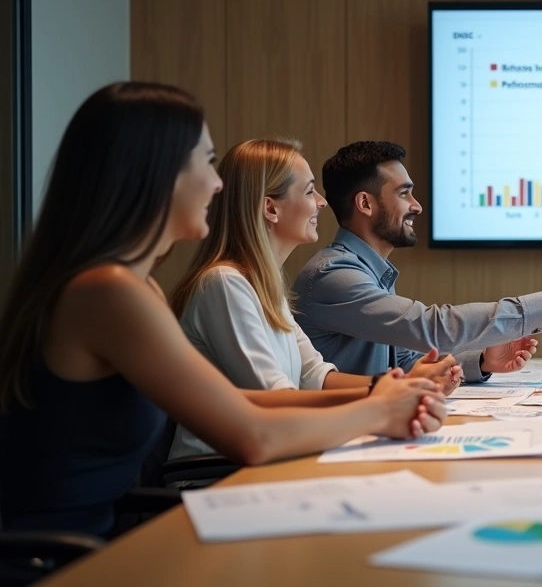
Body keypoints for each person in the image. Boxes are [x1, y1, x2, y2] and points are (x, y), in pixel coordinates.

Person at [0, 82, 447, 537]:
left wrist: (384, 391)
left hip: (96, 545)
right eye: (205, 162)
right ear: (154, 173)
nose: (217, 185)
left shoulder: (136, 288)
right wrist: (380, 409)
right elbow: (255, 434)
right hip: (62, 561)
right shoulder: (109, 292)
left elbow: (236, 400)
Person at [167, 139, 458, 459]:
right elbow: (275, 398)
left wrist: (398, 387)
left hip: (269, 459)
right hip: (217, 475)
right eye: (308, 191)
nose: (321, 202)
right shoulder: (224, 284)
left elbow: (316, 376)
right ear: (270, 208)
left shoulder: (265, 285)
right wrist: (380, 398)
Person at [292, 141, 542, 382]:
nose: (417, 206)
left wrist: (482, 360)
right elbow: (430, 328)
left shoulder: (367, 270)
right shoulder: (334, 275)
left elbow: (401, 361)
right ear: (365, 203)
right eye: (404, 194)